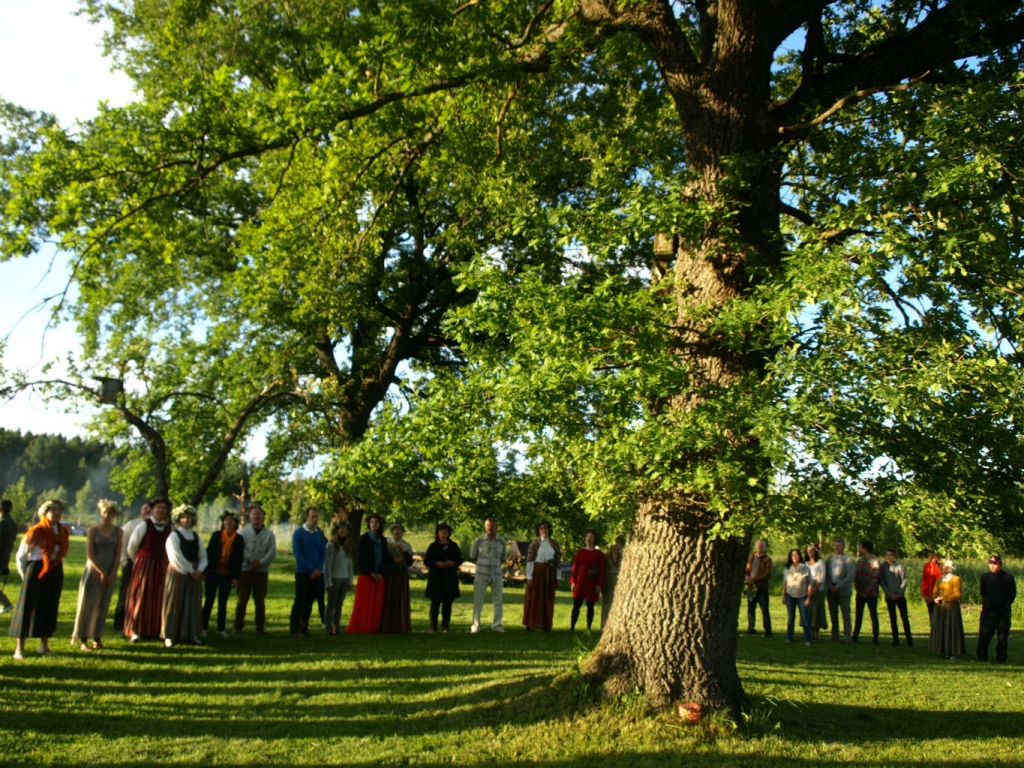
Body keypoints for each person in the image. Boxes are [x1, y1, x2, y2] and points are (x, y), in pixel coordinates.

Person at [9, 500, 69, 659]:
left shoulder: (62, 531)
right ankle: (19, 649)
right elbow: (21, 555)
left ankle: (44, 645)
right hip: (36, 569)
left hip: (55, 570)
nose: (56, 513)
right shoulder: (36, 531)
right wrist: (27, 575)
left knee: (49, 606)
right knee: (27, 607)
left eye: (59, 510)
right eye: (53, 510)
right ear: (45, 512)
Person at [71, 499, 123, 651]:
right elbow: (90, 554)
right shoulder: (93, 530)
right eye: (105, 512)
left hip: (110, 570)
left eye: (110, 513)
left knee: (102, 605)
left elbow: (118, 553)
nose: (107, 515)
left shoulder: (118, 532)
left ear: (114, 514)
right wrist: (101, 571)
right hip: (94, 570)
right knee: (88, 603)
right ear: (101, 513)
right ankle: (83, 639)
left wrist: (113, 571)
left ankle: (97, 638)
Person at [124, 497, 173, 642]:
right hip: (144, 566)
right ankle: (136, 630)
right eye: (158, 507)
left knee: (160, 597)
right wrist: (140, 560)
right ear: (152, 510)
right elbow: (131, 547)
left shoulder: (170, 528)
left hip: (162, 566)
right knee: (141, 595)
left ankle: (156, 629)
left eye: (163, 508)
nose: (160, 510)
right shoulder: (144, 525)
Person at [162, 504, 207, 647]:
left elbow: (202, 555)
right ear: (178, 519)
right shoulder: (174, 536)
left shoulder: (195, 536)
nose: (186, 520)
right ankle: (169, 635)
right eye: (183, 517)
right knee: (174, 603)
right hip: (178, 572)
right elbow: (175, 556)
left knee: (192, 604)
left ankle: (191, 634)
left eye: (188, 517)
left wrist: (199, 570)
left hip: (194, 573)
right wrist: (190, 570)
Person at [233, 506, 276, 636]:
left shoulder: (269, 534)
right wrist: (252, 561)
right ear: (249, 517)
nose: (256, 517)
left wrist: (260, 563)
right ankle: (238, 626)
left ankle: (260, 627)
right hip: (245, 570)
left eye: (259, 515)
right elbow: (240, 549)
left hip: (261, 572)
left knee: (260, 600)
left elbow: (272, 551)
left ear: (263, 518)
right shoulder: (243, 532)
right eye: (253, 515)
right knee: (242, 600)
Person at [202, 511, 244, 638]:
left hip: (227, 574)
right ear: (223, 522)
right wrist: (204, 572)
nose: (228, 522)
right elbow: (208, 553)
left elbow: (239, 559)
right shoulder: (216, 535)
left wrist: (236, 577)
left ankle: (221, 629)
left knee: (223, 602)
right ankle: (203, 627)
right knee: (209, 600)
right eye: (226, 520)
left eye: (231, 520)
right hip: (213, 572)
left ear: (235, 523)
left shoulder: (239, 539)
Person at [113, 501, 151, 632]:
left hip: (147, 564)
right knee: (125, 592)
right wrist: (124, 561)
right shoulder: (132, 524)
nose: (148, 511)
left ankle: (139, 621)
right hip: (130, 562)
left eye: (150, 509)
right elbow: (123, 543)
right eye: (145, 508)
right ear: (141, 510)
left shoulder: (155, 526)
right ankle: (119, 621)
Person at [346, 513, 387, 633]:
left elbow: (385, 558)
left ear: (380, 525)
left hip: (379, 576)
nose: (374, 524)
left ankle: (373, 626)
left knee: (376, 603)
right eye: (372, 522)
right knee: (364, 603)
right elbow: (361, 558)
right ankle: (362, 626)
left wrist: (381, 573)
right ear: (369, 524)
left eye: (376, 522)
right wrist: (371, 572)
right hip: (366, 575)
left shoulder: (383, 540)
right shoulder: (363, 539)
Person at [290, 507, 327, 638]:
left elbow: (323, 553)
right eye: (312, 517)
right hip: (303, 572)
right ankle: (294, 629)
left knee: (310, 601)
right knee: (300, 600)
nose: (315, 519)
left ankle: (303, 626)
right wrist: (311, 569)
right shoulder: (299, 533)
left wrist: (318, 568)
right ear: (307, 517)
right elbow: (298, 554)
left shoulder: (320, 534)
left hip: (317, 573)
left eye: (317, 517)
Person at [522, 519, 562, 632]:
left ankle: (546, 624)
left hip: (550, 573)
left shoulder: (554, 544)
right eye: (542, 528)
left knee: (548, 598)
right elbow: (530, 560)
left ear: (549, 530)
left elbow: (558, 561)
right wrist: (529, 577)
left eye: (546, 528)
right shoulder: (534, 544)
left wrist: (558, 577)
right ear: (539, 531)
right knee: (534, 597)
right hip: (537, 573)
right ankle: (530, 623)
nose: (544, 530)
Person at [424, 521, 463, 633]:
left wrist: (453, 563)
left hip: (449, 577)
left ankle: (445, 626)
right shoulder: (433, 546)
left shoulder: (453, 546)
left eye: (446, 531)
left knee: (447, 602)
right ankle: (433, 626)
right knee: (435, 603)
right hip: (436, 577)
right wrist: (436, 564)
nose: (444, 533)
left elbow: (459, 559)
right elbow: (426, 560)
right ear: (437, 533)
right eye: (441, 531)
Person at [976, 555, 1016, 664]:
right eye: (991, 564)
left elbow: (1012, 594)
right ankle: (981, 656)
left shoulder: (1008, 578)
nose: (993, 566)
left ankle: (1001, 658)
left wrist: (1005, 605)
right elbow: (983, 592)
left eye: (995, 564)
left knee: (1002, 636)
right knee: (984, 635)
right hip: (988, 612)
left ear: (1000, 565)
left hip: (1003, 612)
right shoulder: (984, 577)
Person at [470, 518, 507, 633]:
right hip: (481, 575)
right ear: (485, 527)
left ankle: (497, 625)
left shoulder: (502, 542)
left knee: (498, 602)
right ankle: (476, 626)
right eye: (488, 526)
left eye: (492, 526)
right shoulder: (479, 541)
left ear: (496, 527)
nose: (490, 528)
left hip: (496, 575)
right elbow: (473, 557)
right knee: (478, 602)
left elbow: (503, 559)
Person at [928, 558, 966, 660]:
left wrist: (945, 598)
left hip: (950, 606)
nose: (940, 568)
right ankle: (942, 649)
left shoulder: (956, 579)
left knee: (951, 628)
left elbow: (958, 594)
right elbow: (935, 592)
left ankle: (953, 651)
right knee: (941, 627)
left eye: (942, 566)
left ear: (949, 568)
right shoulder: (939, 579)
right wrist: (935, 598)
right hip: (940, 607)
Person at [570, 528, 604, 632]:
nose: (589, 539)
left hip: (592, 582)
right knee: (576, 605)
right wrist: (573, 582)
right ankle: (572, 627)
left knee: (590, 606)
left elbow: (601, 571)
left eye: (591, 537)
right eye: (587, 537)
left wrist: (599, 584)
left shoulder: (599, 554)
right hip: (580, 582)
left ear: (594, 539)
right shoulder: (580, 552)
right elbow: (575, 568)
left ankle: (588, 627)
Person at [324, 518, 354, 635]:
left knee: (339, 604)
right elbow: (327, 565)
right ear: (337, 530)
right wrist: (328, 582)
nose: (344, 531)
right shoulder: (331, 546)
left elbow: (349, 565)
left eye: (346, 530)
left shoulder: (347, 547)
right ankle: (328, 627)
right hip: (334, 578)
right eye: (342, 529)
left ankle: (337, 627)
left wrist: (350, 580)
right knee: (332, 603)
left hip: (344, 578)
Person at [381, 523, 413, 633]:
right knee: (389, 599)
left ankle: (401, 625)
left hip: (401, 575)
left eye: (399, 529)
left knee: (401, 600)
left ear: (402, 532)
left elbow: (409, 563)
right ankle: (388, 625)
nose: (397, 532)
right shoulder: (387, 544)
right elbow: (383, 560)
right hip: (389, 575)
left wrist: (404, 551)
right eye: (395, 529)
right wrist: (392, 560)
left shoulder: (407, 546)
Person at [880, 548, 913, 647]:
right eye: (887, 555)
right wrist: (889, 594)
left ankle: (909, 640)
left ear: (894, 556)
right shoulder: (883, 567)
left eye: (890, 555)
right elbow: (882, 582)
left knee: (904, 618)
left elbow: (904, 580)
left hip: (900, 596)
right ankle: (895, 639)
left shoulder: (900, 567)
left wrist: (899, 593)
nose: (888, 557)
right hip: (889, 596)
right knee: (892, 618)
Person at [825, 538, 856, 642]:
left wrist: (838, 586)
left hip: (843, 591)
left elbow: (850, 576)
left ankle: (847, 636)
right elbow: (826, 575)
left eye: (839, 545)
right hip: (831, 589)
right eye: (835, 545)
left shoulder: (848, 560)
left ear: (843, 547)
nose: (836, 547)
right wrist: (830, 586)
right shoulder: (829, 559)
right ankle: (835, 635)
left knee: (846, 614)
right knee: (833, 614)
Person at [852, 539, 881, 645]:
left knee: (873, 615)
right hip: (860, 593)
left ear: (865, 548)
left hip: (871, 594)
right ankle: (855, 636)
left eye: (860, 547)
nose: (859, 549)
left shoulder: (875, 561)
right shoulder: (860, 561)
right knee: (858, 615)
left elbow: (875, 578)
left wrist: (867, 592)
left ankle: (875, 637)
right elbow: (856, 576)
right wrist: (859, 590)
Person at [782, 548, 812, 646]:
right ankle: (789, 637)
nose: (794, 557)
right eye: (792, 555)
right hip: (790, 595)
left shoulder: (805, 568)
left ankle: (808, 639)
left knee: (804, 619)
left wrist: (808, 598)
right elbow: (785, 583)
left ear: (800, 556)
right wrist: (784, 596)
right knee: (791, 617)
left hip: (802, 595)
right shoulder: (787, 568)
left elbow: (809, 584)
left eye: (796, 555)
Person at [745, 539, 772, 638]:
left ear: (764, 547)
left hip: (762, 588)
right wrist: (747, 577)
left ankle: (767, 631)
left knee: (764, 610)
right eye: (758, 545)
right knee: (751, 609)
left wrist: (755, 579)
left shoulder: (767, 559)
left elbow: (767, 574)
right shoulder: (751, 557)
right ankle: (751, 629)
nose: (760, 547)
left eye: (762, 546)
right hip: (751, 587)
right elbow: (747, 569)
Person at [803, 545, 827, 641]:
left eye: (812, 550)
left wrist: (816, 588)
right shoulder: (805, 564)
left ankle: (816, 632)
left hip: (818, 589)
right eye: (808, 550)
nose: (810, 552)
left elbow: (823, 576)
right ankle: (810, 631)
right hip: (807, 589)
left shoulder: (820, 562)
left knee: (816, 610)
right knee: (809, 611)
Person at [601, 535, 624, 630]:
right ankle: (603, 625)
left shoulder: (623, 555)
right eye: (614, 542)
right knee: (607, 603)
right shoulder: (606, 556)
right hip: (608, 579)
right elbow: (602, 569)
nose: (615, 544)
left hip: (619, 579)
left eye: (617, 542)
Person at [0, 498, 18, 614]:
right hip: (4, 558)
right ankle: (6, 603)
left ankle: (6, 604)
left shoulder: (2, 523)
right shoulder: (12, 523)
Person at [921, 552, 942, 620]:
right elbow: (924, 580)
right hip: (928, 594)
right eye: (932, 557)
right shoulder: (927, 566)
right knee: (931, 615)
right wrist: (924, 594)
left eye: (935, 557)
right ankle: (933, 629)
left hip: (937, 595)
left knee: (939, 615)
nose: (934, 559)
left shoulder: (940, 566)